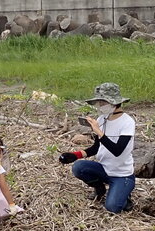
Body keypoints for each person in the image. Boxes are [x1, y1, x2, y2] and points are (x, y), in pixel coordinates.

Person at [58, 82, 136, 213]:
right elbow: (96, 147)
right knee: (79, 167)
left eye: (102, 102)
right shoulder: (102, 119)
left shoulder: (127, 122)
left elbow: (118, 150)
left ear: (113, 103)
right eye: (99, 103)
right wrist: (74, 155)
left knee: (112, 207)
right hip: (105, 169)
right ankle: (100, 189)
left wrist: (99, 132)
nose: (100, 106)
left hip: (122, 174)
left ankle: (124, 193)